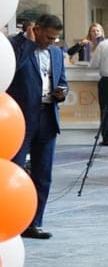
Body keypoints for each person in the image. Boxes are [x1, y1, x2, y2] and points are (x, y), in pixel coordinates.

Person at [6, 14, 67, 239]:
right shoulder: (14, 46)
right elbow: (10, 72)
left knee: (43, 175)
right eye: (48, 37)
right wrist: (30, 44)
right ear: (36, 29)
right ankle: (11, 223)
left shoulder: (56, 53)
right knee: (15, 173)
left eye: (55, 38)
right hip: (19, 121)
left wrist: (63, 92)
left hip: (48, 118)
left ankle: (34, 223)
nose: (51, 42)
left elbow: (62, 80)